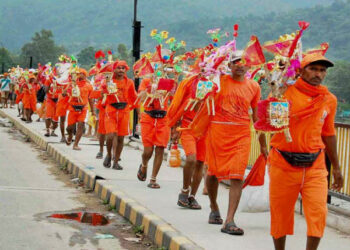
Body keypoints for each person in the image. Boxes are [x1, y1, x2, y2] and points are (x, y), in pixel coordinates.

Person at [268, 54, 344, 250]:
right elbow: (268, 123)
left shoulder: (329, 99)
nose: (318, 74)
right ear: (300, 70)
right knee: (280, 214)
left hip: (315, 166)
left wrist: (337, 168)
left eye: (322, 70)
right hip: (283, 163)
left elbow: (329, 134)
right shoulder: (283, 92)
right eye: (313, 69)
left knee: (318, 213)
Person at [190, 50, 267, 235]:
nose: (240, 65)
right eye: (235, 62)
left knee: (237, 176)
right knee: (213, 174)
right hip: (217, 132)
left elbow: (256, 117)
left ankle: (229, 220)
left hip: (241, 134)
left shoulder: (254, 86)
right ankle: (214, 207)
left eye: (244, 62)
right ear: (229, 65)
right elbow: (200, 98)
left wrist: (263, 144)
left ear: (249, 66)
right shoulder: (219, 82)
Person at [167, 75, 207, 209]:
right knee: (191, 159)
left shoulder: (216, 85)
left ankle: (192, 196)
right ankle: (184, 190)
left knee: (200, 162)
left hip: (205, 130)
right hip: (188, 127)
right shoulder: (190, 83)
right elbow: (181, 104)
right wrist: (175, 127)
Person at [136, 77, 174, 188]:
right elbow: (141, 98)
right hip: (148, 118)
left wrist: (173, 83)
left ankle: (153, 179)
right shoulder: (146, 81)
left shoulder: (168, 81)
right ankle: (144, 165)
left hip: (163, 119)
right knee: (148, 151)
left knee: (160, 148)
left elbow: (173, 99)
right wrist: (150, 88)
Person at [103, 61, 137, 169]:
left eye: (123, 68)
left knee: (121, 138)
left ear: (126, 70)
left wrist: (139, 112)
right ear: (114, 70)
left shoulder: (129, 82)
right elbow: (102, 92)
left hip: (124, 111)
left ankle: (116, 161)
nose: (121, 70)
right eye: (118, 68)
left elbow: (134, 98)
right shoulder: (109, 81)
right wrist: (106, 84)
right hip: (111, 110)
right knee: (110, 135)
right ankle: (109, 154)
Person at [66, 68, 94, 150]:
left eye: (81, 73)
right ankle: (70, 135)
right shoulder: (72, 84)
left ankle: (76, 144)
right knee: (69, 128)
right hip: (72, 108)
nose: (79, 75)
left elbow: (90, 99)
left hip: (83, 109)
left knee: (81, 125)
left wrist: (92, 110)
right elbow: (64, 94)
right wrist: (69, 86)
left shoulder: (89, 86)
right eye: (78, 73)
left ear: (85, 75)